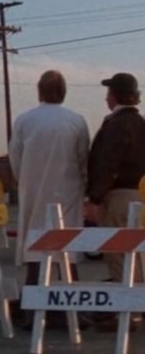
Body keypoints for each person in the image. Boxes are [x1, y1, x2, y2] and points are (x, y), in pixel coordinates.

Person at [8, 70, 90, 328]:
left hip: (33, 191)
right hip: (67, 191)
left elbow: (15, 159)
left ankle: (33, 312)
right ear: (63, 92)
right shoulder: (76, 121)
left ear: (40, 91)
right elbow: (82, 159)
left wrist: (26, 181)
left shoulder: (24, 120)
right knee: (67, 250)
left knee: (35, 251)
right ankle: (71, 313)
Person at [86, 72, 145, 331]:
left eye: (109, 92)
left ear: (116, 96)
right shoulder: (141, 123)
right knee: (139, 256)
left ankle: (126, 313)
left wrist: (95, 198)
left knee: (119, 254)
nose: (106, 97)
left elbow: (107, 163)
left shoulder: (116, 125)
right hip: (140, 194)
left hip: (119, 195)